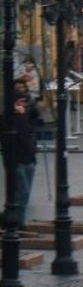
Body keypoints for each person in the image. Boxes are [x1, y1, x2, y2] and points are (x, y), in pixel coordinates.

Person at [1, 90, 41, 228]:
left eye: (24, 102)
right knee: (22, 191)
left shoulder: (26, 114)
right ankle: (19, 222)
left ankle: (11, 217)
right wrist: (12, 113)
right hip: (16, 159)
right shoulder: (7, 116)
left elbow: (38, 122)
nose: (23, 104)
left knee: (25, 193)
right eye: (20, 102)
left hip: (29, 157)